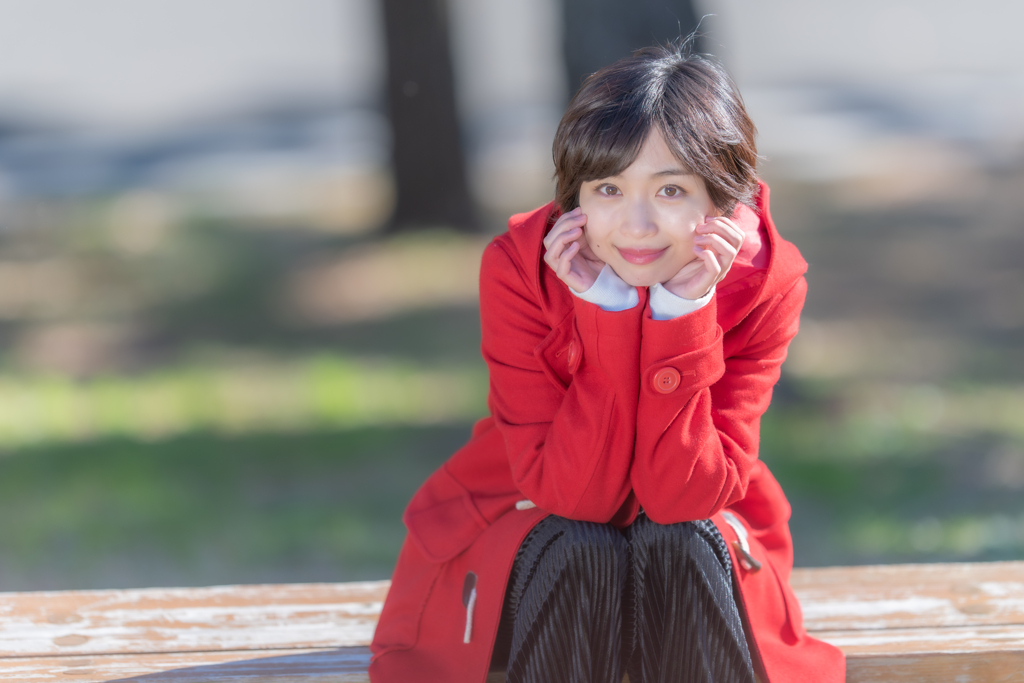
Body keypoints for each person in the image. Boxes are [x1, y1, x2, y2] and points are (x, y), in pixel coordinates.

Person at [370, 41, 846, 683]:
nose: (638, 225)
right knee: (581, 544)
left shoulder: (765, 282)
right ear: (576, 198)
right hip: (533, 527)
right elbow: (575, 497)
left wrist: (681, 316)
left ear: (721, 201)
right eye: (608, 189)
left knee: (679, 539)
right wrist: (608, 312)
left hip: (692, 550)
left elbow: (685, 497)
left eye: (671, 189)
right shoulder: (521, 269)